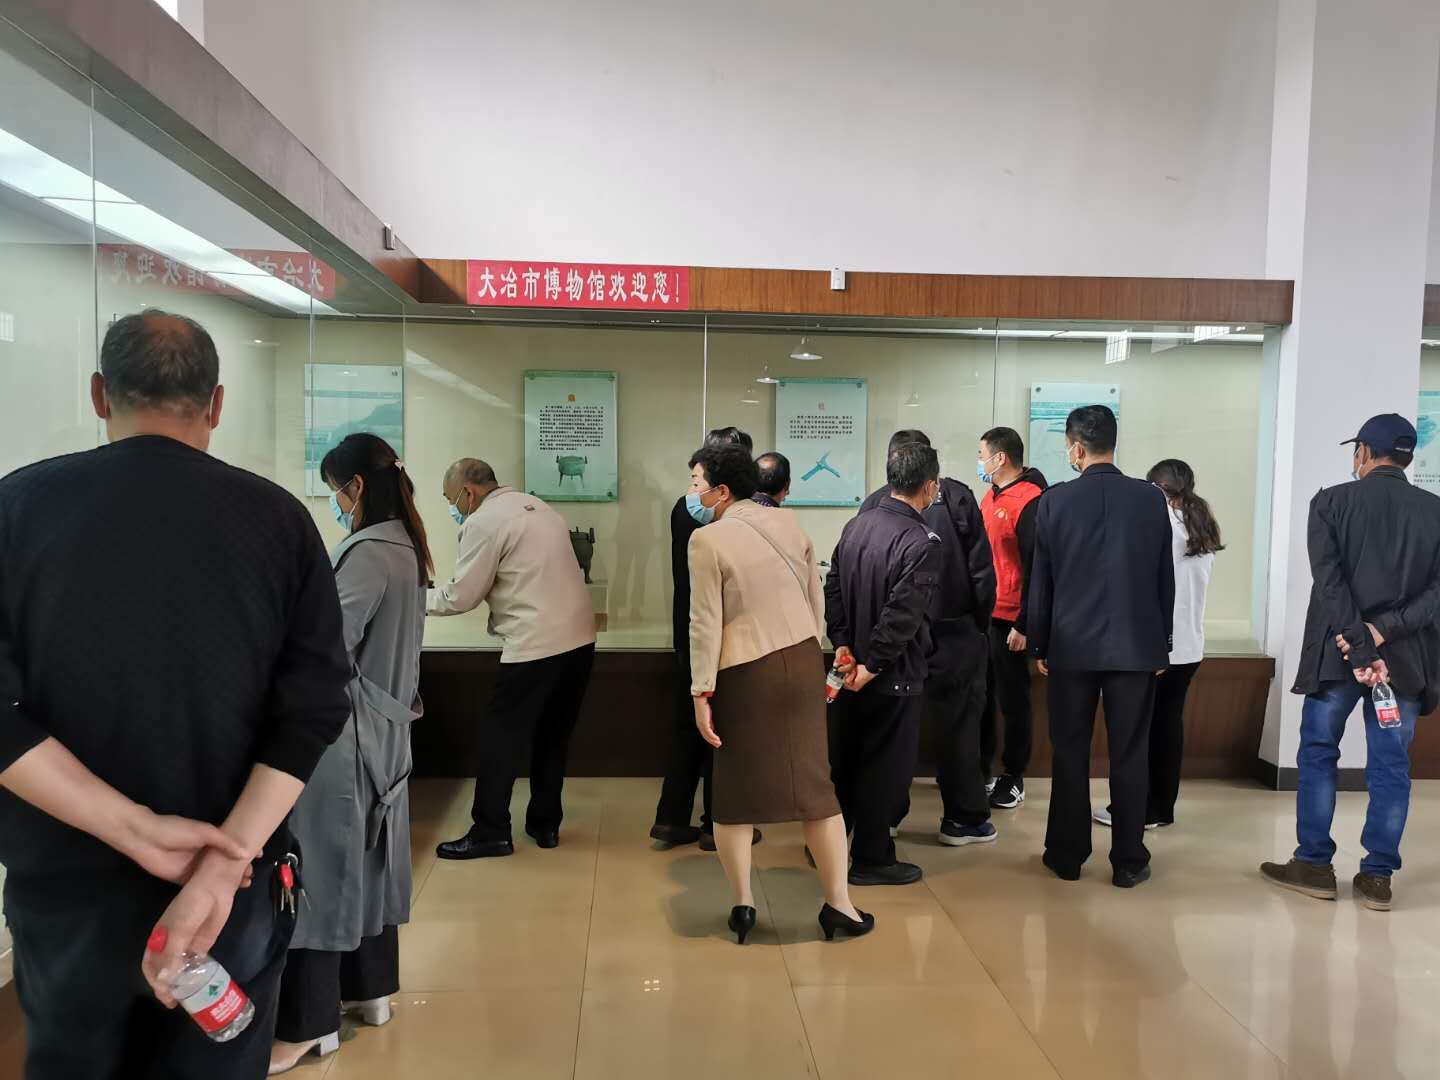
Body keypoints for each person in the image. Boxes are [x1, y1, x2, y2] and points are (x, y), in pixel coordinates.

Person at [0, 310, 351, 1078]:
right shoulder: (278, 521)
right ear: (216, 404)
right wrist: (224, 865)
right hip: (230, 893)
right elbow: (316, 706)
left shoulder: (16, 508)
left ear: (100, 394)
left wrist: (132, 828)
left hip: (64, 893)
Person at [270, 434, 431, 1074]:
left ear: (356, 486)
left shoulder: (366, 552)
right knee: (369, 865)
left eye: (335, 490)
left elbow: (329, 646)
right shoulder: (406, 545)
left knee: (322, 871)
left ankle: (309, 1024)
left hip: (343, 737)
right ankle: (370, 993)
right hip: (385, 731)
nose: (335, 503)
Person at [687, 445, 873, 943]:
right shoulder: (789, 524)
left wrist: (701, 691)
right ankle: (839, 905)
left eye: (697, 482)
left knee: (735, 794)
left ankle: (743, 906)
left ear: (722, 490)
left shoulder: (706, 540)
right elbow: (815, 599)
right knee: (815, 788)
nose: (693, 491)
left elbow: (705, 623)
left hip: (744, 669)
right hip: (801, 660)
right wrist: (809, 647)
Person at [1262, 414, 1440, 912]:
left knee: (1319, 752)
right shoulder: (1435, 511)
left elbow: (1329, 582)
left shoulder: (1331, 502)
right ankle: (1378, 877)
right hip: (1403, 662)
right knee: (1391, 765)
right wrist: (1383, 633)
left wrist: (1360, 645)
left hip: (1336, 657)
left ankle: (1314, 865)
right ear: (1407, 457)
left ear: (1362, 452)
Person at [1027, 405, 1174, 889]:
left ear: (1075, 448)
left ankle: (1067, 855)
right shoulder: (1150, 499)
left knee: (1070, 752)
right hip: (1136, 648)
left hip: (1071, 648)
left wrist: (1039, 643)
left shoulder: (1055, 501)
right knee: (1130, 753)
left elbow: (1042, 581)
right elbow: (1164, 576)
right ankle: (1129, 860)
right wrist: (1162, 645)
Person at [429, 459, 596, 858]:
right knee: (552, 735)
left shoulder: (484, 521)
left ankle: (490, 831)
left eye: (451, 499)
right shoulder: (538, 507)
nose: (452, 508)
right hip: (580, 640)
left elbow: (461, 597)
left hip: (536, 643)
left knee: (500, 738)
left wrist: (412, 596)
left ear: (468, 492)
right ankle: (545, 825)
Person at [858, 430, 996, 847]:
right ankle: (963, 819)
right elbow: (982, 572)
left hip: (898, 637)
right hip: (955, 631)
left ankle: (886, 816)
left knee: (894, 729)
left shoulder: (874, 504)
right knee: (960, 729)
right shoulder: (957, 498)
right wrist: (979, 624)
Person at [825, 442, 942, 886]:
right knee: (884, 769)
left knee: (846, 761)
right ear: (929, 486)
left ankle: (829, 846)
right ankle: (872, 858)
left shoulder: (857, 525)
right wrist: (872, 665)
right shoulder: (921, 541)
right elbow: (903, 615)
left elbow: (833, 588)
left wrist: (842, 646)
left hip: (849, 667)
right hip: (890, 674)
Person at [651, 426, 763, 851]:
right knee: (723, 731)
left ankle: (670, 819)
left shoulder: (685, 508)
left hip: (689, 631)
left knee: (688, 726)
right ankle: (719, 822)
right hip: (725, 636)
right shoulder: (728, 519)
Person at [1094, 459, 1221, 831]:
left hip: (1158, 647)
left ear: (1156, 489)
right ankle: (1162, 807)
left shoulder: (1161, 525)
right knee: (1168, 727)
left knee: (1142, 731)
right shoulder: (1199, 524)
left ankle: (1138, 809)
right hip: (1190, 646)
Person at [976, 427, 1048, 810]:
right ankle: (982, 768)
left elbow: (1037, 568)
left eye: (982, 454)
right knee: (983, 696)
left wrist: (1024, 623)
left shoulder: (1030, 500)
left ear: (1000, 457)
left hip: (1012, 619)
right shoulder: (991, 495)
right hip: (986, 614)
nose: (980, 461)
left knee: (1014, 701)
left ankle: (1013, 774)